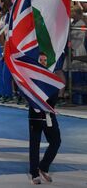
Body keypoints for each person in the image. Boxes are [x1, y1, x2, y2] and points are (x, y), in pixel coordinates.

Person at [29, 52, 61, 185]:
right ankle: (34, 174)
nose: (43, 62)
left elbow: (54, 96)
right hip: (36, 116)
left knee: (56, 141)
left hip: (49, 115)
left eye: (44, 60)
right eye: (40, 60)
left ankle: (43, 167)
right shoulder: (30, 78)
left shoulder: (51, 78)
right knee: (35, 145)